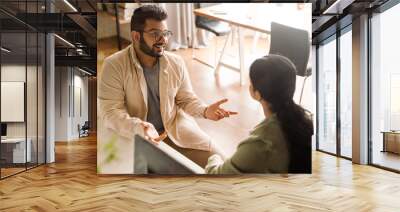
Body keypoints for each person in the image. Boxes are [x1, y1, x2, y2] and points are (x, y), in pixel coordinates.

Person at [98, 5, 237, 169]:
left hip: (178, 131)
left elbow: (186, 99)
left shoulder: (175, 62)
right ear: (136, 36)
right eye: (155, 34)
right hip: (140, 138)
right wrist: (140, 127)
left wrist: (206, 111)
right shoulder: (113, 65)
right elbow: (111, 112)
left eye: (165, 33)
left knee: (227, 168)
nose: (163, 40)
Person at [205, 55, 313, 174]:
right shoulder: (307, 121)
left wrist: (214, 157)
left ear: (257, 94)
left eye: (251, 83)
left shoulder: (260, 144)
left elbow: (216, 175)